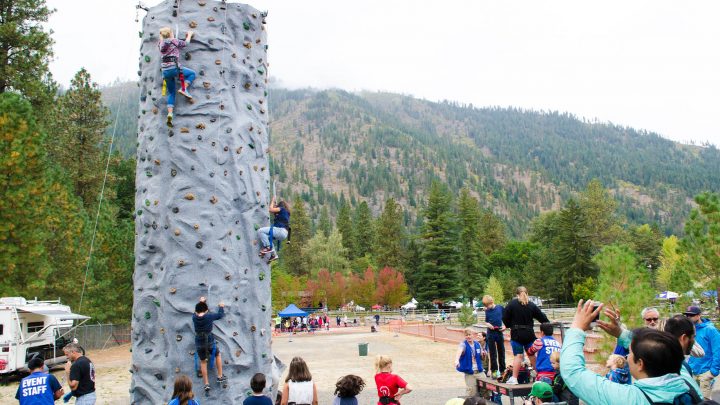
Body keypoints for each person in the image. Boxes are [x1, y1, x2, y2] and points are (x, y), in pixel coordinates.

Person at [560, 300, 701, 404]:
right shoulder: (688, 385)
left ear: (640, 364)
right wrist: (621, 333)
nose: (627, 357)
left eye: (631, 353)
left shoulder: (630, 399)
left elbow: (572, 372)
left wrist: (577, 328)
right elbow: (661, 350)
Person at [502, 286, 550, 384]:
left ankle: (514, 379)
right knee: (532, 355)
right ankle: (540, 376)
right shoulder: (532, 305)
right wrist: (548, 322)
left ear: (517, 295)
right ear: (527, 294)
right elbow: (542, 317)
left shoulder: (511, 304)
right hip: (529, 334)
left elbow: (504, 317)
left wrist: (508, 325)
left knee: (518, 356)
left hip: (516, 334)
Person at [157, 27, 196, 127]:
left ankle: (170, 114)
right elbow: (186, 44)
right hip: (174, 68)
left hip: (165, 72)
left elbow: (163, 40)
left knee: (171, 93)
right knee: (192, 74)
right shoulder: (174, 41)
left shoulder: (160, 44)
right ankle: (184, 88)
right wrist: (190, 35)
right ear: (171, 34)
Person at [192, 296, 227, 392]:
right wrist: (221, 307)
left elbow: (196, 311)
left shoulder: (194, 317)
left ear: (196, 311)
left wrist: (201, 302)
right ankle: (219, 376)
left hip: (199, 341)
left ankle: (206, 383)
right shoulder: (209, 316)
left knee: (203, 361)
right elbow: (220, 315)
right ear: (206, 310)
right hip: (209, 340)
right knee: (217, 354)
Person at [685, 305, 720, 399]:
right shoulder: (690, 330)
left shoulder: (710, 330)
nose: (688, 317)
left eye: (691, 315)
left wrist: (713, 372)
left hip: (705, 372)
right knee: (693, 400)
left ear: (699, 315)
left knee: (704, 401)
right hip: (692, 371)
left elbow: (718, 351)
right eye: (687, 315)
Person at [257, 197, 291, 262]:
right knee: (267, 238)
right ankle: (274, 254)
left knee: (260, 231)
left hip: (280, 230)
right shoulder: (286, 213)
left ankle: (267, 247)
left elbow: (270, 209)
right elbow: (275, 212)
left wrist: (272, 201)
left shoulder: (282, 209)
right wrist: (275, 207)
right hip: (284, 234)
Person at [482, 295, 506, 379]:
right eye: (486, 306)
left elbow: (506, 319)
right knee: (492, 353)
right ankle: (494, 371)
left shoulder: (500, 308)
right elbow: (486, 321)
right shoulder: (487, 311)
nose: (487, 307)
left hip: (499, 332)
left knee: (501, 352)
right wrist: (488, 324)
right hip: (491, 333)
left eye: (488, 305)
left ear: (492, 302)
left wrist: (504, 326)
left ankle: (503, 371)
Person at [455, 328, 484, 397]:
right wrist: (456, 360)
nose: (468, 336)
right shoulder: (463, 344)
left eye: (469, 334)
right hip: (470, 373)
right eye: (466, 335)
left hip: (480, 371)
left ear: (473, 335)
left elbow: (481, 355)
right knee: (471, 392)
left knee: (486, 389)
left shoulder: (477, 344)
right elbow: (459, 351)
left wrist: (483, 354)